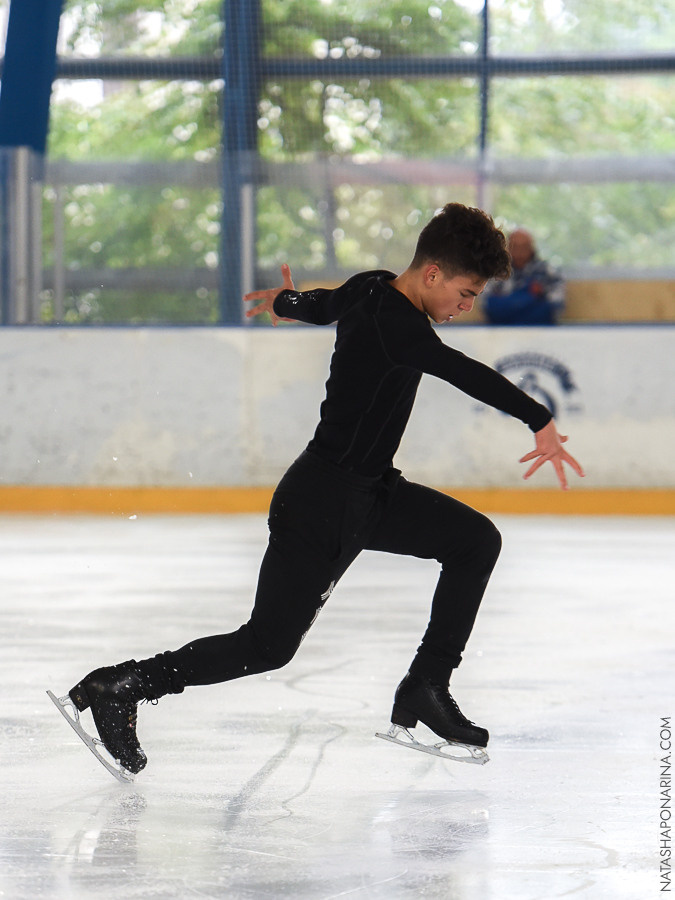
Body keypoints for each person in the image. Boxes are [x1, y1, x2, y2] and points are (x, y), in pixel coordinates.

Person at [52, 204, 584, 777]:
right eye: (466, 291)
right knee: (265, 647)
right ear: (432, 274)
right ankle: (122, 685)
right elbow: (462, 371)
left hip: (370, 495)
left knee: (475, 541)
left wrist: (286, 303)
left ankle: (426, 685)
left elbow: (326, 302)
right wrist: (538, 417)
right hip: (322, 503)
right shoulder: (399, 325)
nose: (466, 305)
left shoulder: (372, 289)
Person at [482, 227, 565, 325]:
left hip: (539, 330)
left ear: (532, 247)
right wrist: (531, 299)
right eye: (515, 246)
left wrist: (509, 305)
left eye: (524, 247)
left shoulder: (548, 271)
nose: (520, 252)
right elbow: (487, 305)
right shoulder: (495, 272)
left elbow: (555, 305)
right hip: (501, 331)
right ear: (507, 247)